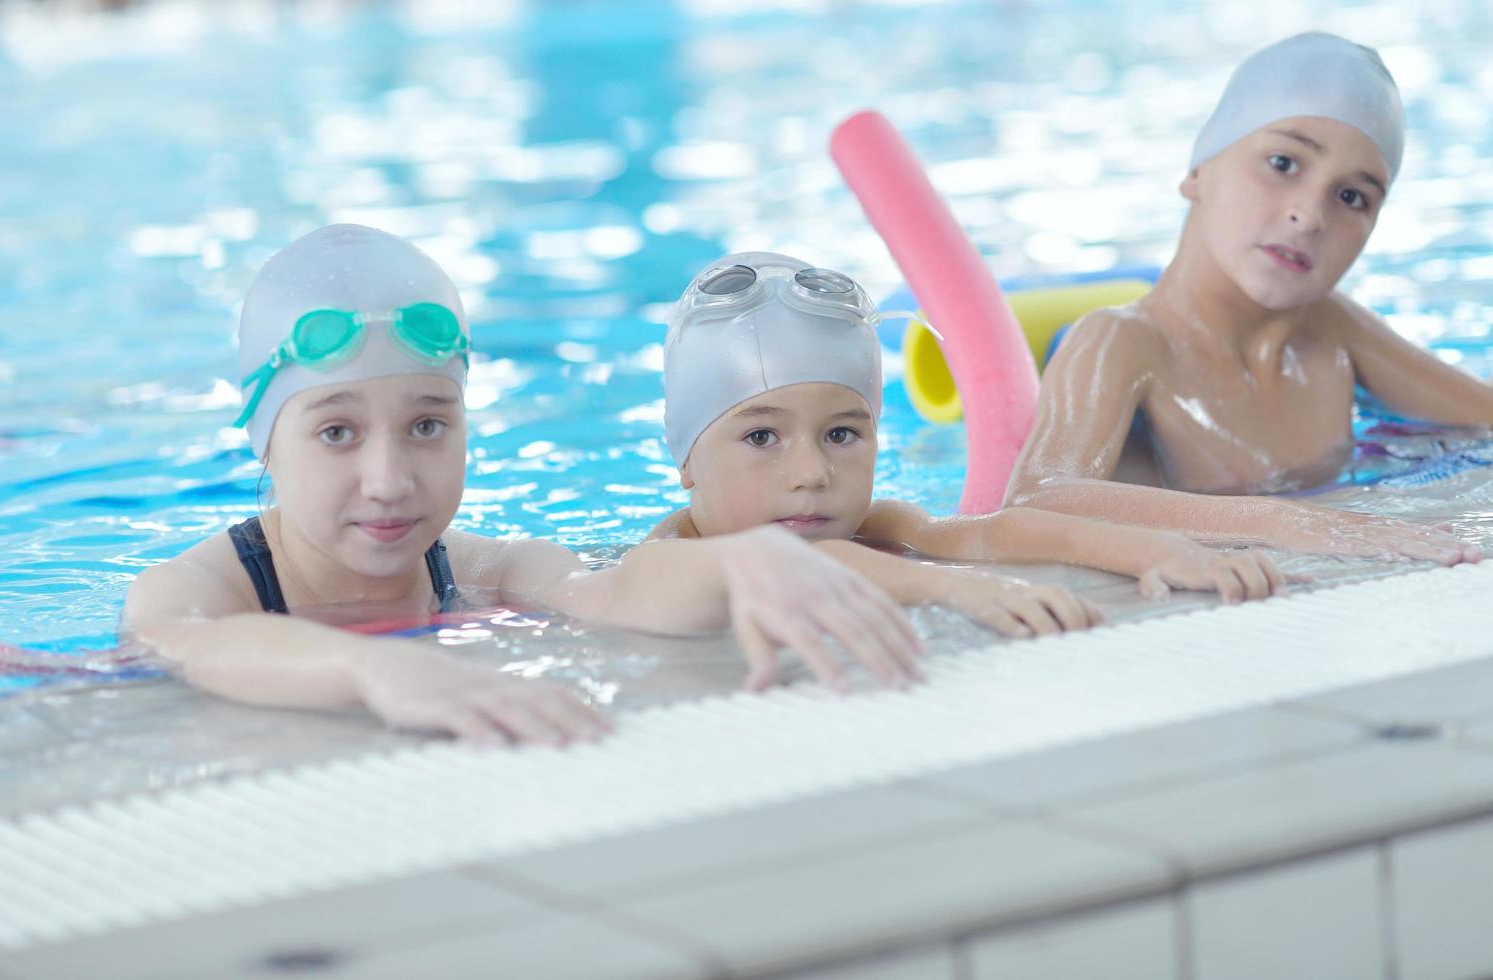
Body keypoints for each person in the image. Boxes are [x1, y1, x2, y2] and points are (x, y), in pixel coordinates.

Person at [123, 225, 926, 748]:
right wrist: (374, 668)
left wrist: (744, 562)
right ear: (265, 436)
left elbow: (611, 591)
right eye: (336, 432)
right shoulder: (196, 589)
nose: (390, 479)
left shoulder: (479, 571)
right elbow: (194, 643)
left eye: (429, 424)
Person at [1006, 32, 1490, 565]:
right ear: (1198, 172)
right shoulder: (1120, 341)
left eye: (1352, 196)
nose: (1310, 215)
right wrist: (1281, 521)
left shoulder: (1334, 331)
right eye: (1284, 163)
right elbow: (1035, 499)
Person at [648, 251, 1291, 638]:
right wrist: (963, 591)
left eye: (842, 433)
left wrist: (1158, 551)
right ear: (684, 458)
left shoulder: (880, 526)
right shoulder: (660, 565)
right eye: (762, 436)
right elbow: (792, 572)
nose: (812, 472)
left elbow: (1002, 532)